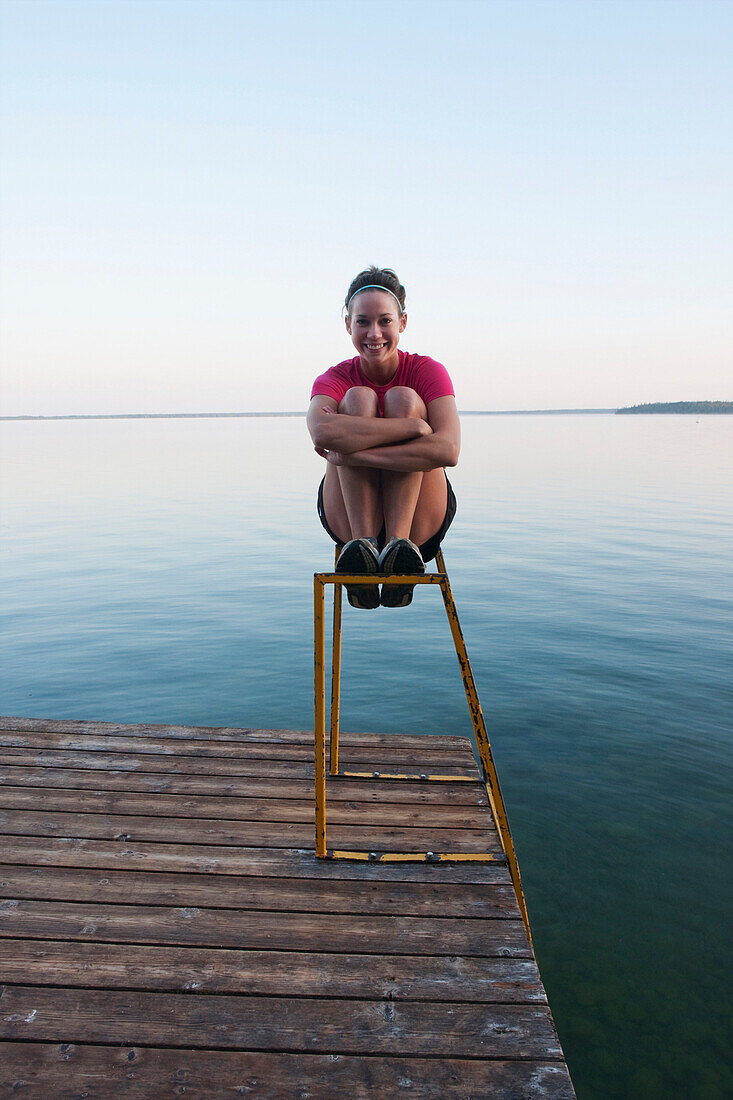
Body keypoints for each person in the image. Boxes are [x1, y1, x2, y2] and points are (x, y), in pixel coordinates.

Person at [307, 266, 461, 610]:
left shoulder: (426, 371)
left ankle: (399, 546)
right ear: (348, 324)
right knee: (358, 399)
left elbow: (449, 450)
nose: (373, 333)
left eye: (385, 321)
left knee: (403, 399)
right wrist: (411, 430)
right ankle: (362, 547)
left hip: (420, 518)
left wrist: (354, 453)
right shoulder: (335, 378)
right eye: (362, 321)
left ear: (402, 322)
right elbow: (320, 431)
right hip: (347, 517)